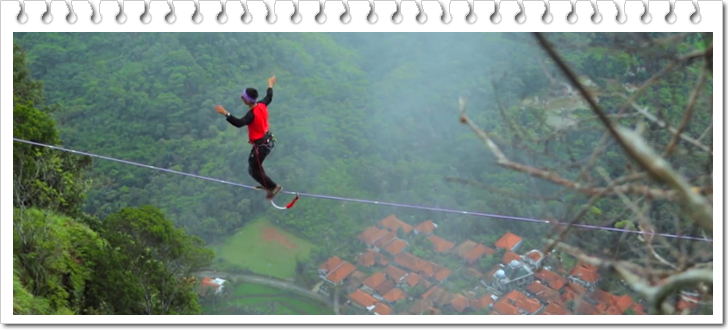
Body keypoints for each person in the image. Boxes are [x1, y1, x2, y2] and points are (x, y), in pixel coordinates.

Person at [215, 74, 282, 199]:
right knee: (256, 165)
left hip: (261, 146)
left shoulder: (252, 115)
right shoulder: (262, 104)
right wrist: (270, 84)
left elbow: (239, 123)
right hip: (267, 141)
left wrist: (225, 113)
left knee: (252, 170)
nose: (241, 98)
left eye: (243, 97)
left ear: (246, 100)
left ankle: (273, 187)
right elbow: (269, 96)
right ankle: (266, 183)